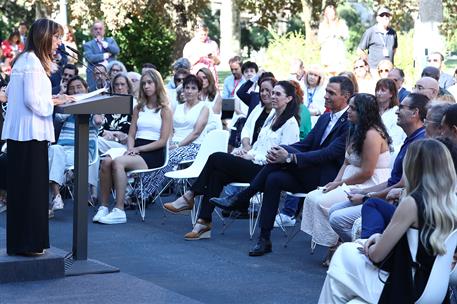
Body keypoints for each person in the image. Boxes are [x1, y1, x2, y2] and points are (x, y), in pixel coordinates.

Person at [211, 76, 355, 256]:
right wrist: (283, 151)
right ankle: (264, 239)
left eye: (331, 93)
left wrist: (290, 157)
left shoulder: (350, 122)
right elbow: (305, 144)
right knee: (273, 178)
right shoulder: (326, 118)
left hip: (326, 179)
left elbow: (329, 154)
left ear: (346, 96)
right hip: (308, 173)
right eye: (326, 91)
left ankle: (243, 197)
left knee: (281, 160)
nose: (325, 96)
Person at [319, 138, 457, 303]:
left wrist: (372, 242)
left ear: (413, 167)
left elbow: (377, 255)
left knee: (342, 257)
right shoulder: (451, 203)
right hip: (436, 290)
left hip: (405, 287)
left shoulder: (413, 203)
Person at [164, 80, 300, 240]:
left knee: (216, 158)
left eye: (277, 94)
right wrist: (245, 151)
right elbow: (260, 144)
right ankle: (203, 223)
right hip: (253, 163)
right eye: (272, 93)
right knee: (216, 174)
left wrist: (253, 156)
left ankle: (190, 195)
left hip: (265, 171)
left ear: (289, 99)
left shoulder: (290, 123)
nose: (272, 96)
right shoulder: (271, 116)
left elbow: (282, 157)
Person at [1, 18, 74, 256]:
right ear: (44, 36)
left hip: (23, 134)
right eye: (56, 37)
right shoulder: (32, 63)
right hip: (29, 133)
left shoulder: (26, 60)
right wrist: (54, 102)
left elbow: (13, 93)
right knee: (31, 190)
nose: (59, 42)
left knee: (24, 190)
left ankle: (22, 243)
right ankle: (30, 244)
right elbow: (33, 102)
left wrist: (53, 99)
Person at [301, 93, 392, 265]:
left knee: (324, 202)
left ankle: (335, 247)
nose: (348, 111)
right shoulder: (354, 129)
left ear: (364, 112)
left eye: (353, 108)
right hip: (348, 179)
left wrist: (340, 184)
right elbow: (346, 162)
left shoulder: (372, 134)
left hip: (368, 183)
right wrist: (335, 182)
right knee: (312, 197)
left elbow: (367, 172)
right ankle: (334, 243)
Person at [328, 93, 428, 247]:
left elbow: (401, 185)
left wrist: (366, 196)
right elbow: (392, 181)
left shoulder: (419, 143)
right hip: (385, 192)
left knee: (337, 219)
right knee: (333, 210)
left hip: (396, 202)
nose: (396, 111)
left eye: (401, 107)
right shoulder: (411, 139)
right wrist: (363, 192)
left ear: (415, 113)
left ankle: (371, 251)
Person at [93, 69, 172, 224]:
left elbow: (163, 141)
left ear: (158, 84)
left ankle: (119, 210)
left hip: (154, 152)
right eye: (144, 83)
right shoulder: (138, 108)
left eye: (150, 82)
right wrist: (130, 149)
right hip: (135, 148)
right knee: (106, 161)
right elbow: (131, 134)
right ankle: (103, 207)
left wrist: (137, 150)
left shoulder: (165, 110)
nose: (146, 86)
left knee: (118, 162)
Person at [138, 74, 209, 199]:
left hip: (195, 146)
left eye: (193, 88)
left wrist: (176, 146)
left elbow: (196, 133)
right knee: (153, 156)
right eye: (187, 88)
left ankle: (143, 194)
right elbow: (170, 128)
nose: (189, 91)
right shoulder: (177, 107)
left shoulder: (204, 107)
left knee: (169, 157)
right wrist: (168, 142)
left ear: (199, 91)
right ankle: (143, 191)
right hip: (173, 144)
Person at [48, 76, 103, 215]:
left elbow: (98, 121)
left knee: (48, 162)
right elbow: (58, 115)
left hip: (82, 152)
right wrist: (64, 97)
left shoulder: (93, 108)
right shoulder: (67, 111)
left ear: (86, 89)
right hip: (62, 152)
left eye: (79, 87)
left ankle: (52, 197)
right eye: (72, 88)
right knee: (53, 149)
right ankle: (57, 196)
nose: (75, 90)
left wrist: (95, 104)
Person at [98, 73, 135, 154]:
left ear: (128, 86)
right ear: (113, 87)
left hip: (124, 145)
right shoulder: (107, 104)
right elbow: (98, 126)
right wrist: (108, 133)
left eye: (122, 84)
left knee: (93, 142)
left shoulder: (134, 104)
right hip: (105, 140)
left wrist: (117, 137)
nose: (119, 87)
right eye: (116, 85)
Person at [357, 7, 398, 72]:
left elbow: (394, 49)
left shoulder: (393, 33)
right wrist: (369, 62)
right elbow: (360, 50)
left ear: (390, 18)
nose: (385, 17)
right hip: (374, 70)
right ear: (377, 18)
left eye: (387, 15)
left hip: (389, 70)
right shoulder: (370, 32)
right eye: (382, 15)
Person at [83, 20, 120, 91]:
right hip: (95, 77)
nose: (98, 31)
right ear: (92, 31)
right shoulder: (88, 45)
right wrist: (105, 55)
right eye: (96, 29)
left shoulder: (110, 41)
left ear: (104, 31)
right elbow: (90, 58)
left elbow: (116, 51)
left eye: (100, 29)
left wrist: (104, 44)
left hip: (110, 74)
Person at [375, 78, 406, 153]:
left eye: (383, 90)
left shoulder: (396, 113)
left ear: (391, 94)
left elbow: (395, 140)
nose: (378, 93)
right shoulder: (372, 110)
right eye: (377, 90)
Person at [317, 4, 349, 75]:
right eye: (329, 13)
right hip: (327, 53)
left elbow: (346, 36)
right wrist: (328, 35)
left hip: (338, 52)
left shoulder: (341, 23)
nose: (331, 14)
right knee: (328, 74)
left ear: (335, 13)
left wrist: (338, 34)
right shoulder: (323, 25)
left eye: (332, 12)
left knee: (339, 74)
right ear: (326, 14)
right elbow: (320, 39)